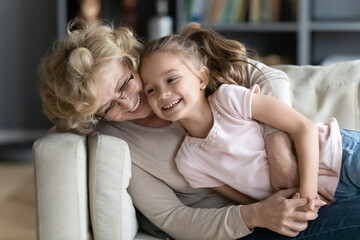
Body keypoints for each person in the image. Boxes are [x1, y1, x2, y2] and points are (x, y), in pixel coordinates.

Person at [39, 18, 360, 239]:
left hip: (330, 154)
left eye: (126, 83)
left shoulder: (174, 68)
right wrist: (256, 214)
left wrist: (279, 153)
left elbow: (268, 77)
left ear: (132, 61)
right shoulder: (134, 145)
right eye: (108, 107)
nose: (128, 102)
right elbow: (170, 217)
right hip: (264, 216)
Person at [139, 22, 360, 208]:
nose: (163, 94)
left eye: (171, 79)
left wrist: (307, 195)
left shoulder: (228, 99)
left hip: (341, 154)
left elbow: (305, 128)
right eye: (151, 89)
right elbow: (253, 204)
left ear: (201, 78)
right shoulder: (189, 162)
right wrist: (294, 204)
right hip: (328, 201)